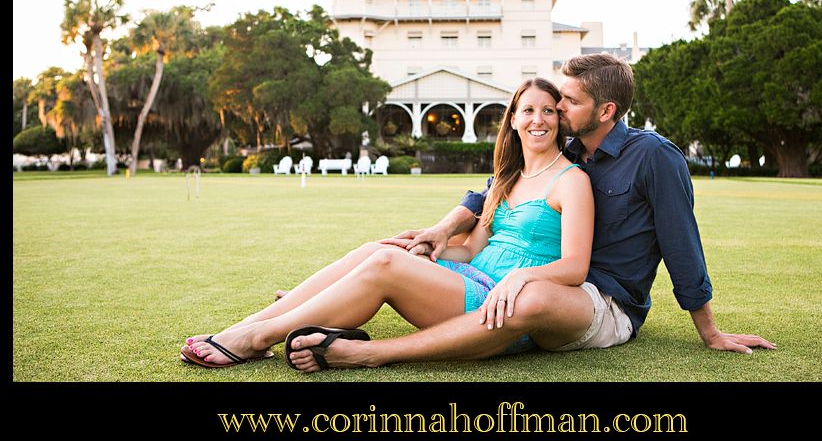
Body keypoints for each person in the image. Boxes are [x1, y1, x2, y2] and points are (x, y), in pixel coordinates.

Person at [285, 52, 775, 373]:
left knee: (530, 294)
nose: (555, 108)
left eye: (567, 101)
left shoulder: (653, 156)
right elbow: (492, 191)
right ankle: (321, 307)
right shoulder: (573, 149)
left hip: (606, 302)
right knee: (386, 251)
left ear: (605, 111)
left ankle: (370, 354)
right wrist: (444, 226)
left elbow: (681, 240)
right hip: (553, 284)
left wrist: (708, 330)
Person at [181, 77, 594, 368]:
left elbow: (575, 268)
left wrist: (522, 279)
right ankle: (246, 328)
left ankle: (255, 339)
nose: (538, 119)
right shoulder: (506, 179)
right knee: (381, 250)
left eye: (547, 111)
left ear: (558, 121)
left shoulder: (572, 181)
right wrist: (424, 249)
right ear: (514, 120)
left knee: (385, 266)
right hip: (472, 277)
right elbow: (469, 250)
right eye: (528, 110)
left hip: (500, 311)